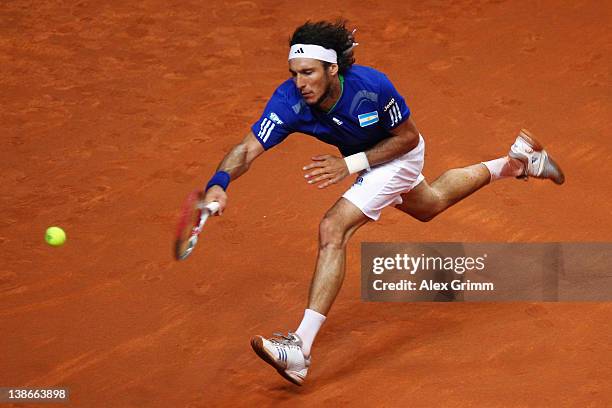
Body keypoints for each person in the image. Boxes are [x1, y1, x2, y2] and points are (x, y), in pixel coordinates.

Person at [201, 20, 564, 386]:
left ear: (333, 69)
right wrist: (219, 181)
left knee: (333, 227)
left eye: (309, 73)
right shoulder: (290, 100)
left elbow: (407, 138)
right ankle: (518, 163)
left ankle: (300, 348)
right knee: (429, 204)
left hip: (398, 155)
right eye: (294, 73)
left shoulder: (372, 87)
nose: (300, 83)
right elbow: (248, 147)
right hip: (367, 160)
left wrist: (350, 164)